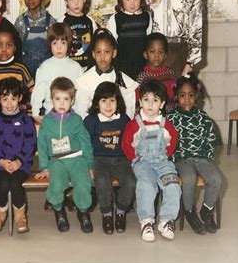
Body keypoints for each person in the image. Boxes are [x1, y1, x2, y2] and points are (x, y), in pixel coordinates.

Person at [122, 80, 181, 242]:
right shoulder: (135, 124)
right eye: (146, 99)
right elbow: (126, 143)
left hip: (162, 161)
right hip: (143, 162)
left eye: (155, 100)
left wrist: (165, 154)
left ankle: (166, 220)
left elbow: (173, 140)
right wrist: (134, 158)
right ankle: (146, 221)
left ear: (162, 104)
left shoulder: (165, 123)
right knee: (147, 185)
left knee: (172, 184)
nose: (150, 104)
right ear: (140, 102)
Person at [35, 77, 94, 233]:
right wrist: (44, 167)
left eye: (66, 99)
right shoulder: (46, 122)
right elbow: (41, 145)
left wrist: (89, 165)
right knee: (56, 185)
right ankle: (59, 211)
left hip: (77, 159)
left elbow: (85, 142)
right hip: (57, 161)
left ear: (72, 100)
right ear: (51, 99)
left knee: (83, 184)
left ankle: (83, 212)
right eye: (57, 99)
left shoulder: (76, 120)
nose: (62, 103)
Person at [168, 74, 222, 235]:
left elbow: (210, 139)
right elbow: (167, 141)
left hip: (202, 158)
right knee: (189, 178)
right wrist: (172, 160)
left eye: (191, 95)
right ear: (176, 97)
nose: (187, 100)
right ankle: (189, 210)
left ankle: (207, 209)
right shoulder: (171, 118)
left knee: (216, 178)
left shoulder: (203, 118)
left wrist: (207, 157)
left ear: (197, 96)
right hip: (182, 159)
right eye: (183, 96)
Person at [83, 82, 135, 235]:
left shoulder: (124, 119)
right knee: (101, 181)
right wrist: (89, 165)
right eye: (103, 100)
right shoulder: (91, 120)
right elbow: (85, 144)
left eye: (112, 100)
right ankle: (106, 214)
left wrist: (133, 160)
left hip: (121, 160)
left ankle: (120, 211)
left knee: (131, 181)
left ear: (118, 102)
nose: (108, 105)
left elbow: (130, 142)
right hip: (100, 159)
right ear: (97, 103)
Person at [0, 78, 37, 233]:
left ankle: (20, 215)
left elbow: (30, 143)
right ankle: (0, 211)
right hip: (0, 164)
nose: (9, 104)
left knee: (16, 183)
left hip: (22, 164)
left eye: (13, 99)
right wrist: (1, 161)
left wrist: (19, 161)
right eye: (5, 99)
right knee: (3, 183)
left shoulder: (26, 120)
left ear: (20, 98)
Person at [74, 28, 137, 120]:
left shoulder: (123, 81)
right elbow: (81, 112)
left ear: (114, 53)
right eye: (98, 52)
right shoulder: (84, 81)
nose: (102, 56)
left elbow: (128, 112)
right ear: (93, 54)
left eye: (107, 52)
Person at [31, 22, 84, 123]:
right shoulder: (45, 67)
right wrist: (35, 113)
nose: (59, 48)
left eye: (63, 43)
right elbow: (38, 91)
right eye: (55, 43)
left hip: (71, 116)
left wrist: (80, 115)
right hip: (51, 115)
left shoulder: (76, 67)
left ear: (68, 43)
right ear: (49, 44)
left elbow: (81, 95)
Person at [0, 27, 34, 118]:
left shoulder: (21, 69)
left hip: (18, 120)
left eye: (9, 45)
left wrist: (29, 118)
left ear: (15, 47)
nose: (4, 49)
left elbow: (32, 94)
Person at [106, 0, 152, 79]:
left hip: (142, 64)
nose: (132, 3)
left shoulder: (146, 17)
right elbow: (111, 44)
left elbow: (148, 40)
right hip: (123, 64)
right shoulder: (116, 18)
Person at [14, 0, 56, 77]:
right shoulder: (20, 22)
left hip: (47, 70)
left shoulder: (51, 22)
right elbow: (15, 46)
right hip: (25, 70)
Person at [58, 0, 97, 69]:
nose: (76, 3)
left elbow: (95, 46)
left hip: (87, 68)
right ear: (66, 1)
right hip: (68, 68)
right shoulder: (61, 21)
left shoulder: (90, 21)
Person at [136, 32, 177, 113]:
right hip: (150, 116)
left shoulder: (171, 74)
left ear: (165, 55)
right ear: (145, 54)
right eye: (152, 51)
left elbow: (176, 98)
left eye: (160, 52)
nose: (156, 55)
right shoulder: (142, 77)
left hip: (170, 115)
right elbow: (138, 102)